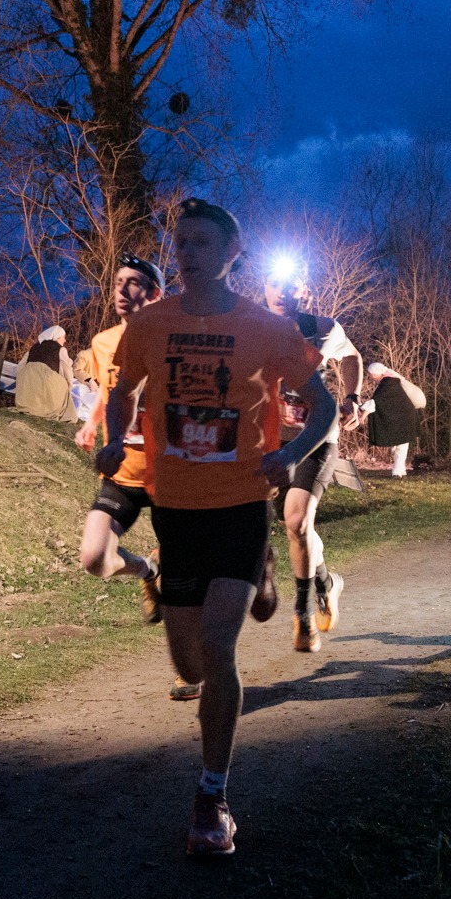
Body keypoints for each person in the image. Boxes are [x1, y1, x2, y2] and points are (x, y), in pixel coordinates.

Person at [99, 200, 334, 857]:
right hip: (175, 509)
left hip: (238, 505)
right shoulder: (151, 323)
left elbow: (324, 404)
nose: (187, 253)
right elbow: (123, 390)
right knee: (188, 663)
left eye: (201, 242)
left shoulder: (267, 328)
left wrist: (292, 452)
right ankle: (260, 575)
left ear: (233, 252)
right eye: (180, 242)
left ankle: (212, 799)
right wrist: (116, 435)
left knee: (218, 646)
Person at [75, 256, 182, 692]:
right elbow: (110, 391)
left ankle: (188, 665)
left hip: (169, 474)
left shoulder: (174, 340)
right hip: (122, 471)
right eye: (117, 281)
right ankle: (146, 570)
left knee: (184, 574)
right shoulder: (102, 342)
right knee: (95, 558)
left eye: (133, 283)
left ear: (154, 294)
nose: (121, 290)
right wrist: (91, 423)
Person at [261, 261, 364, 652]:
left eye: (289, 284)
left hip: (317, 439)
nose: (281, 291)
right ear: (264, 287)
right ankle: (326, 583)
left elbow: (352, 357)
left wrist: (352, 398)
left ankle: (302, 614)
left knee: (298, 520)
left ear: (303, 291)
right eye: (274, 282)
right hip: (271, 442)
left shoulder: (323, 329)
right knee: (295, 530)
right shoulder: (252, 328)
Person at [365, 361, 426, 475]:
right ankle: (400, 469)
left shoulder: (388, 383)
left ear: (374, 374)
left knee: (399, 445)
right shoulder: (392, 381)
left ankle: (397, 471)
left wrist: (363, 413)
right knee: (399, 445)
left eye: (370, 375)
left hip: (402, 418)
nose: (370, 377)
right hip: (404, 417)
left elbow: (376, 401)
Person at [15, 324, 76, 420]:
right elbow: (67, 369)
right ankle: (48, 408)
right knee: (63, 383)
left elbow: (20, 367)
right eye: (63, 337)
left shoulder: (34, 347)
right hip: (48, 388)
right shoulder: (60, 349)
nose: (65, 340)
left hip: (28, 389)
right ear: (57, 337)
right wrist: (69, 386)